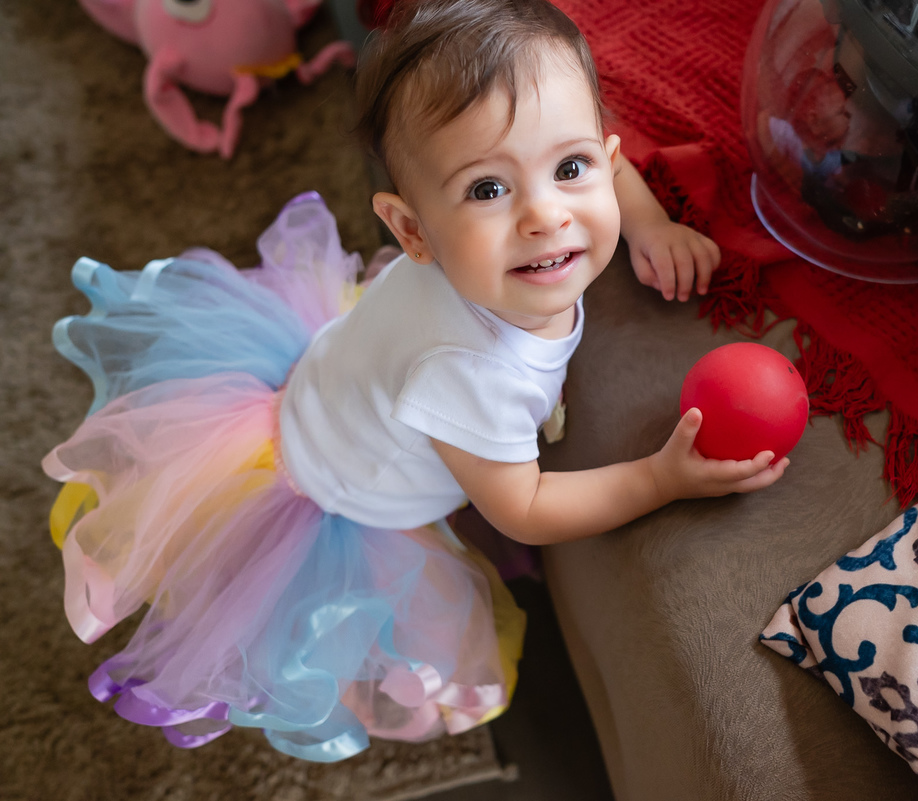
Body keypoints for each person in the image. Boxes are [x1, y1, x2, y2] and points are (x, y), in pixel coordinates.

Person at [42, 0, 789, 763]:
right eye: (487, 189)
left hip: (338, 377)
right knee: (328, 631)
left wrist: (650, 226)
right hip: (343, 488)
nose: (546, 215)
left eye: (570, 169)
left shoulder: (518, 236)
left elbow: (612, 165)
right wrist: (660, 478)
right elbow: (526, 507)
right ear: (411, 230)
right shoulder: (468, 371)